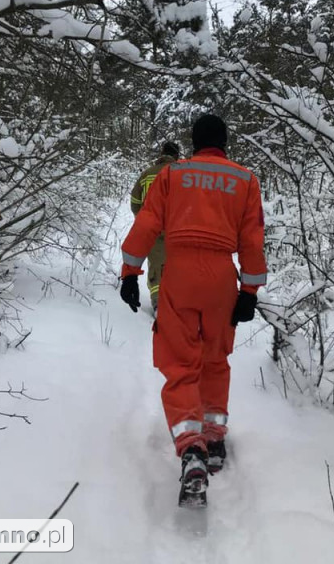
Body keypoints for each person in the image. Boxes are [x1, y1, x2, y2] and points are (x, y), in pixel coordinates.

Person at [120, 114, 267, 502]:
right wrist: (249, 290)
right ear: (225, 143)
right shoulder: (246, 180)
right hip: (221, 276)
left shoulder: (173, 175)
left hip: (179, 274)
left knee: (181, 362)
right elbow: (252, 239)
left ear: (194, 142)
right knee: (216, 358)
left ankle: (191, 447)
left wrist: (130, 272)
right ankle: (215, 439)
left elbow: (147, 223)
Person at [129, 141, 180, 314]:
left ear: (161, 153)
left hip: (154, 229)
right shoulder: (185, 173)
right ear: (177, 156)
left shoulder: (147, 174)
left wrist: (143, 220)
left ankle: (158, 303)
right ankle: (177, 301)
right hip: (178, 229)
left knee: (157, 266)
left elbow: (135, 202)